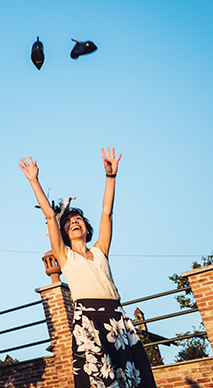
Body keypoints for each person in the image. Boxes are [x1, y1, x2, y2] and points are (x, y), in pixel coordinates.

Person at [19, 148, 157, 388]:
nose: (74, 222)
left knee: (133, 380)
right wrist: (34, 181)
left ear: (87, 228)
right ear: (64, 232)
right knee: (100, 381)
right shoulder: (65, 256)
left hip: (118, 319)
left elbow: (107, 212)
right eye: (70, 221)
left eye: (79, 220)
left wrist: (110, 177)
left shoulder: (101, 249)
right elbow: (51, 217)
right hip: (89, 320)